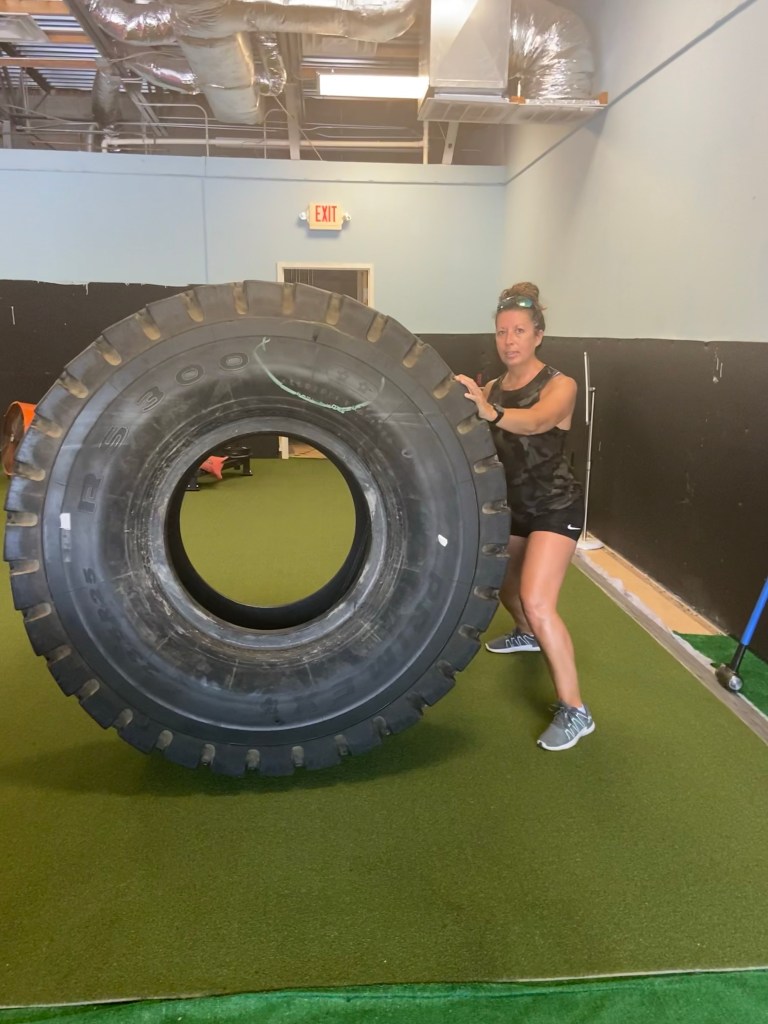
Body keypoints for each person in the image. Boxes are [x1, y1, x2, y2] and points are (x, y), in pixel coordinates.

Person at [455, 282, 594, 751]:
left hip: (556, 506)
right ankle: (527, 635)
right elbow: (477, 426)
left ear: (538, 335)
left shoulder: (561, 385)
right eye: (501, 332)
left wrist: (488, 410)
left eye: (518, 330)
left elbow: (534, 421)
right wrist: (464, 399)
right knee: (504, 590)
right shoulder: (491, 388)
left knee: (537, 599)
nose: (509, 340)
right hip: (514, 508)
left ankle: (576, 710)